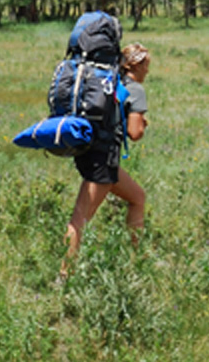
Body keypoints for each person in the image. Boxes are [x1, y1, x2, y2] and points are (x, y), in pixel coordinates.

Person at [60, 42, 150, 279]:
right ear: (137, 65)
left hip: (91, 153)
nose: (148, 70)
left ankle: (138, 262)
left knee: (137, 197)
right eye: (146, 65)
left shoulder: (110, 82)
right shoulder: (135, 89)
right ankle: (63, 277)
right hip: (104, 160)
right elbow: (135, 133)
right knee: (80, 218)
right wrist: (141, 123)